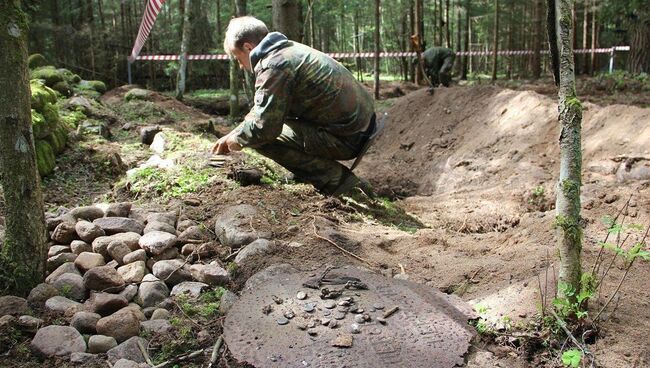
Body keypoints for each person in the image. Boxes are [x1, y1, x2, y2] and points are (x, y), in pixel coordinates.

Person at [212, 16, 377, 197]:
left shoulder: (274, 66)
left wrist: (234, 140)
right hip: (361, 127)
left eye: (237, 58)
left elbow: (264, 126)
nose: (240, 65)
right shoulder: (287, 49)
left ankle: (338, 182)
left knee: (262, 138)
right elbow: (266, 109)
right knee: (265, 127)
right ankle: (310, 174)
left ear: (248, 48)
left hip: (349, 138)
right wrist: (233, 132)